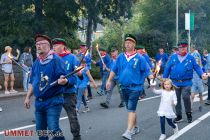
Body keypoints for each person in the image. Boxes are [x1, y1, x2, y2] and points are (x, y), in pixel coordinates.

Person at [24, 34, 73, 140]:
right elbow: (33, 82)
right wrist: (27, 97)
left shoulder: (56, 60)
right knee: (40, 131)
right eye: (37, 44)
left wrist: (63, 81)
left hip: (53, 100)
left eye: (41, 44)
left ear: (48, 46)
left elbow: (64, 78)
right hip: (39, 102)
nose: (38, 46)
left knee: (53, 130)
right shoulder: (37, 62)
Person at [106, 34, 153, 140]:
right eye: (126, 43)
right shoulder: (121, 57)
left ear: (134, 44)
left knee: (131, 109)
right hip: (123, 87)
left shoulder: (140, 58)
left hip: (135, 88)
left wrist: (151, 77)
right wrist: (109, 80)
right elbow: (114, 69)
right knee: (130, 108)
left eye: (129, 43)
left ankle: (129, 131)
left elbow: (147, 70)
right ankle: (135, 127)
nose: (127, 44)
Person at [163, 41, 208, 123]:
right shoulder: (173, 57)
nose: (182, 49)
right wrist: (164, 78)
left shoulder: (191, 58)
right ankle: (179, 116)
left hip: (186, 82)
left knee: (185, 97)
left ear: (186, 47)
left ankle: (188, 114)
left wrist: (202, 74)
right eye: (180, 47)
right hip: (174, 83)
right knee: (176, 99)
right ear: (178, 48)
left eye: (184, 47)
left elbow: (197, 67)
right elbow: (167, 68)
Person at [52, 38, 81, 140]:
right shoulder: (52, 59)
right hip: (55, 93)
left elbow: (76, 77)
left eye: (56, 45)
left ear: (63, 46)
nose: (54, 47)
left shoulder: (72, 57)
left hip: (68, 93)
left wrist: (79, 73)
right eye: (53, 46)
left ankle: (76, 137)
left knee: (72, 117)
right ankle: (56, 137)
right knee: (52, 118)